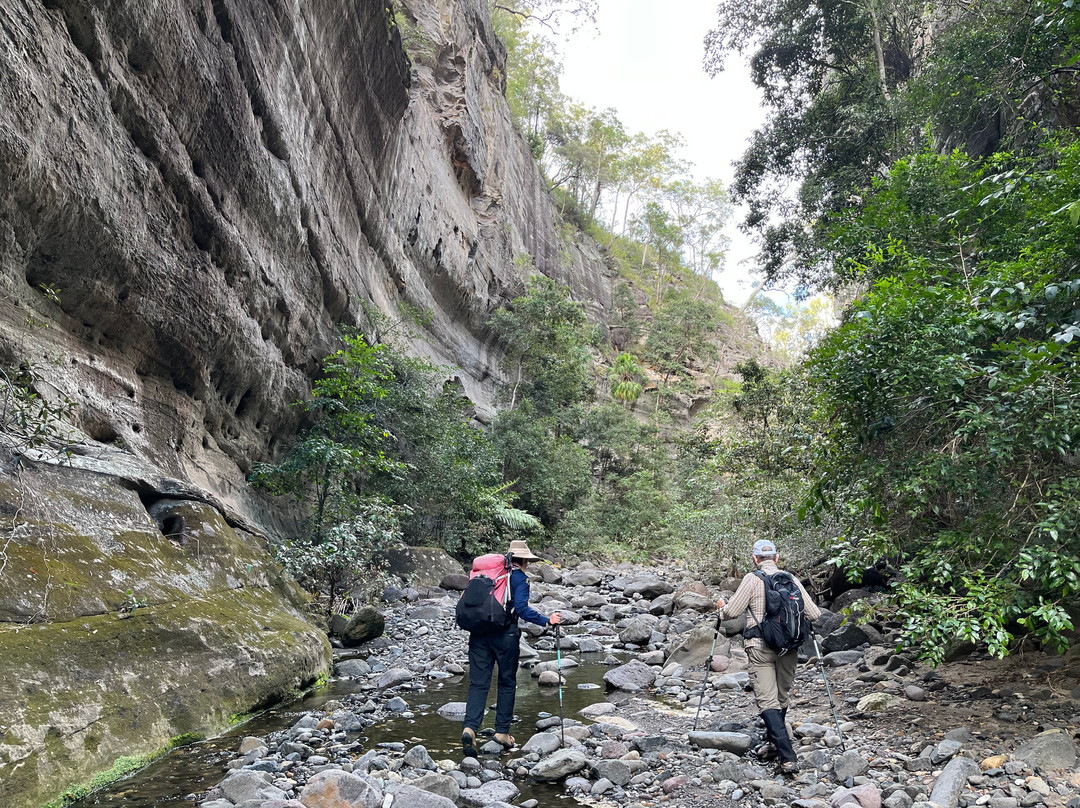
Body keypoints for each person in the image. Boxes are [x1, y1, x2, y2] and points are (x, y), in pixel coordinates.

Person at [715, 539, 820, 774]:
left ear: (754, 559)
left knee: (767, 701)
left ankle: (787, 756)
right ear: (777, 558)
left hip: (759, 646)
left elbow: (731, 613)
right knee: (781, 698)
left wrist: (721, 606)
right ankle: (774, 745)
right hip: (789, 648)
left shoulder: (752, 579)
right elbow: (814, 614)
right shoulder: (791, 579)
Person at [461, 539, 561, 756]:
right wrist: (547, 620)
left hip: (478, 636)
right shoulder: (519, 578)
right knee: (506, 682)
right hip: (505, 637)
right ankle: (502, 733)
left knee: (478, 684)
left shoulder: (487, 575)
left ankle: (470, 728)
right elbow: (522, 610)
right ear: (524, 560)